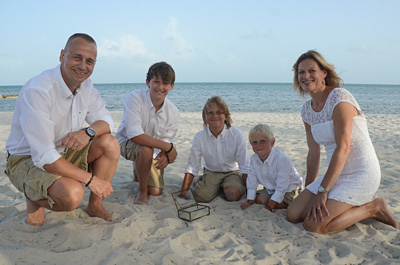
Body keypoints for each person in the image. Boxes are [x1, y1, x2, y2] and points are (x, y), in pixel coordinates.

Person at [5, 33, 120, 226]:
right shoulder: (39, 90)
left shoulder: (86, 86)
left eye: (89, 61)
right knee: (73, 195)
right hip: (26, 160)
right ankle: (34, 196)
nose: (83, 66)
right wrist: (91, 180)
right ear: (62, 56)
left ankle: (95, 206)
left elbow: (107, 120)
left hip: (63, 151)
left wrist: (88, 132)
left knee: (110, 143)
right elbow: (43, 156)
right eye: (77, 57)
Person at [285, 50, 398, 234]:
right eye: (301, 72)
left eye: (311, 70)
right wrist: (310, 190)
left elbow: (343, 148)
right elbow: (313, 153)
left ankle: (373, 208)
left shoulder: (339, 98)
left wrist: (322, 192)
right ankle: (337, 201)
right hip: (336, 172)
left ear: (324, 73)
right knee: (293, 213)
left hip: (361, 172)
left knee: (314, 225)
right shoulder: (306, 110)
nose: (305, 76)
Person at [115, 62, 179, 204]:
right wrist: (169, 148)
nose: (160, 87)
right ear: (148, 82)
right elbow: (135, 135)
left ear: (172, 86)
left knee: (156, 192)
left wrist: (165, 154)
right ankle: (141, 192)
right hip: (126, 142)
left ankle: (140, 170)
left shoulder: (173, 112)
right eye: (156, 82)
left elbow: (166, 139)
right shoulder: (134, 98)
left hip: (153, 148)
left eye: (166, 83)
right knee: (145, 149)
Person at [180, 96, 249, 202]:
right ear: (205, 117)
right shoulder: (199, 137)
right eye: (210, 113)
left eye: (219, 112)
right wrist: (183, 193)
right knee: (200, 198)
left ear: (226, 116)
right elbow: (192, 166)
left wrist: (250, 195)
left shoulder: (236, 134)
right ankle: (204, 180)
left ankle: (224, 187)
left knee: (232, 195)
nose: (214, 116)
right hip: (212, 171)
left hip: (232, 171)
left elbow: (245, 166)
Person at [240, 124, 303, 212]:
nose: (259, 145)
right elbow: (251, 182)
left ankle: (292, 202)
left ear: (272, 142)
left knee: (277, 204)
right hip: (270, 187)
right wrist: (250, 202)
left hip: (289, 188)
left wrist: (269, 207)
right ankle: (272, 198)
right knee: (259, 201)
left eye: (263, 141)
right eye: (255, 142)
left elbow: (282, 187)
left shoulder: (282, 159)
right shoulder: (254, 159)